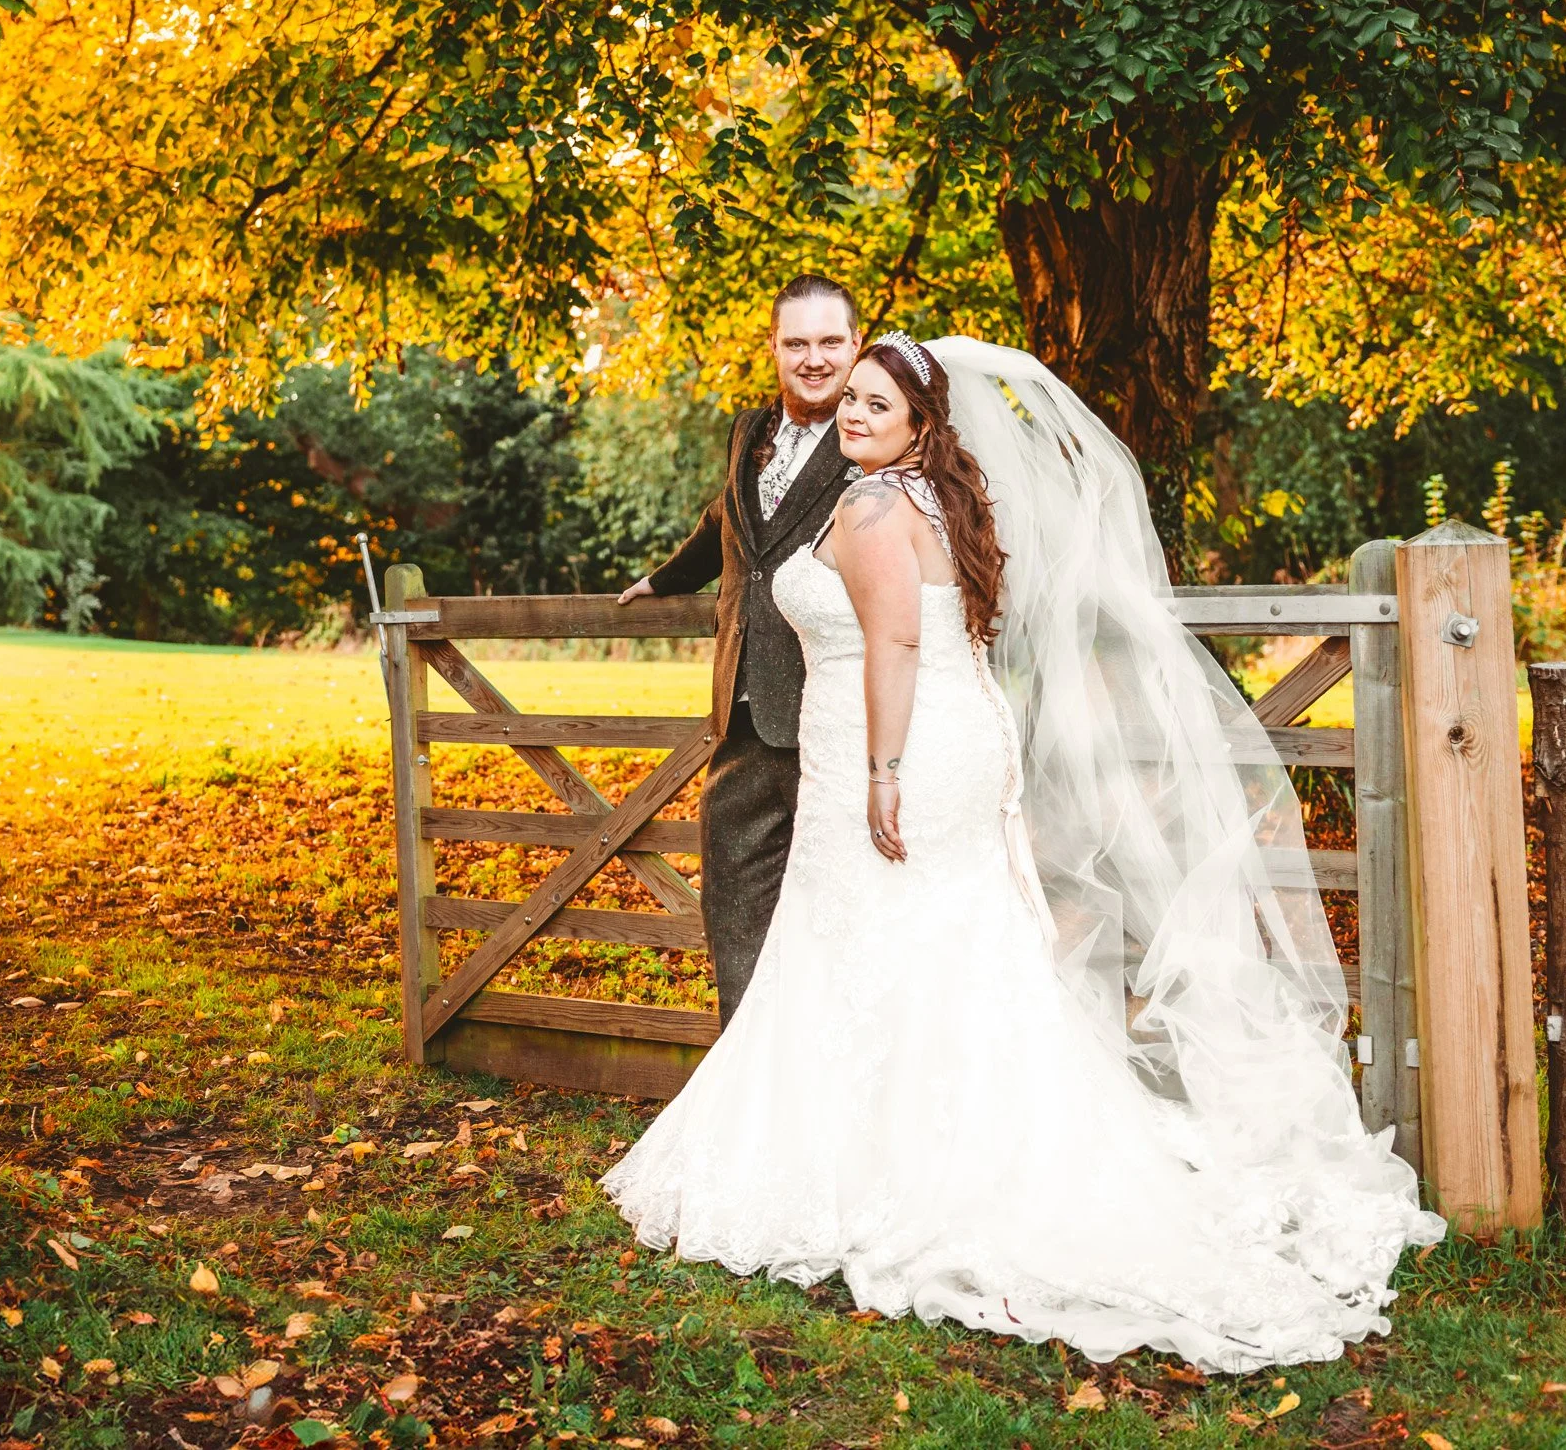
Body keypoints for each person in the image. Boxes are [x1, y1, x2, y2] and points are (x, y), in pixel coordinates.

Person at [602, 333, 1445, 1373]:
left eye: (876, 402)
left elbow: (899, 646)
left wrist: (882, 771)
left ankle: (897, 1164)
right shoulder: (932, 499)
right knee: (933, 941)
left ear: (920, 421)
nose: (855, 415)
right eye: (849, 401)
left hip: (899, 745)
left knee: (878, 934)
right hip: (947, 738)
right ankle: (926, 1141)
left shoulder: (869, 508)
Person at [615, 274, 859, 1027]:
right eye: (797, 343)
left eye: (829, 342)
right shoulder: (747, 430)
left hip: (837, 721)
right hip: (743, 717)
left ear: (857, 344)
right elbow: (730, 520)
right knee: (735, 910)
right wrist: (665, 578)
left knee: (842, 924)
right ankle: (748, 1093)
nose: (813, 359)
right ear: (774, 348)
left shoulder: (879, 435)